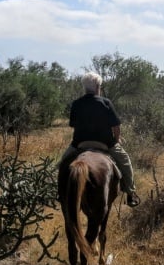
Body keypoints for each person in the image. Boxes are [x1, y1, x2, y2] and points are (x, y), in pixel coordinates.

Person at [60, 71, 140, 207]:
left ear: (85, 87)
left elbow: (73, 125)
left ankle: (61, 194)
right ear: (98, 86)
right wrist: (117, 139)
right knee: (125, 162)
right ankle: (130, 193)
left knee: (62, 165)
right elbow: (116, 126)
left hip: (79, 143)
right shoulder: (106, 102)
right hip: (106, 143)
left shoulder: (76, 104)